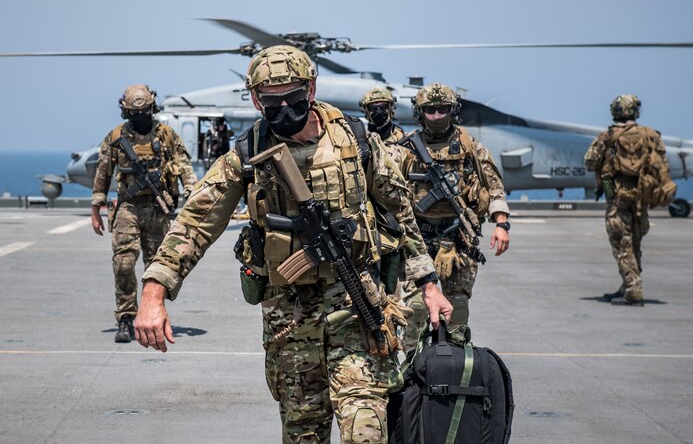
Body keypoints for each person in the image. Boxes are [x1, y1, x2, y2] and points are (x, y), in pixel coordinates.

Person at [133, 45, 452, 444]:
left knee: (366, 430)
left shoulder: (357, 141)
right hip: (290, 323)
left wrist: (429, 284)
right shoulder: (247, 155)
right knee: (302, 434)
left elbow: (402, 211)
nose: (285, 108)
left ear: (312, 89)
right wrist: (153, 292)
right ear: (254, 99)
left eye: (295, 98)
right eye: (272, 100)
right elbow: (196, 222)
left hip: (358, 310)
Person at [396, 83, 511, 350]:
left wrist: (502, 223)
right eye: (430, 110)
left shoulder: (470, 146)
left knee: (457, 308)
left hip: (458, 239)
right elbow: (389, 190)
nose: (436, 115)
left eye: (442, 109)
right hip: (418, 241)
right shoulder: (406, 149)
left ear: (453, 110)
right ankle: (413, 370)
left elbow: (494, 185)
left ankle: (455, 366)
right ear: (419, 112)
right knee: (414, 308)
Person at [90, 84, 198, 343]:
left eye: (145, 110)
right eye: (134, 112)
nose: (140, 116)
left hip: (158, 208)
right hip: (128, 207)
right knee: (124, 263)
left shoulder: (166, 135)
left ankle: (154, 314)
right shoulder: (116, 137)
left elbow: (184, 167)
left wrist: (193, 194)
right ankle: (126, 318)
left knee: (158, 267)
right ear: (126, 112)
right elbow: (102, 173)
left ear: (152, 108)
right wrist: (96, 208)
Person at [584, 94, 675, 306]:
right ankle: (628, 284)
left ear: (616, 111)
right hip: (642, 196)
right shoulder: (651, 135)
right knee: (634, 243)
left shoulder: (608, 136)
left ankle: (633, 289)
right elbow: (663, 164)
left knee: (621, 244)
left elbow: (590, 161)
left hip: (618, 196)